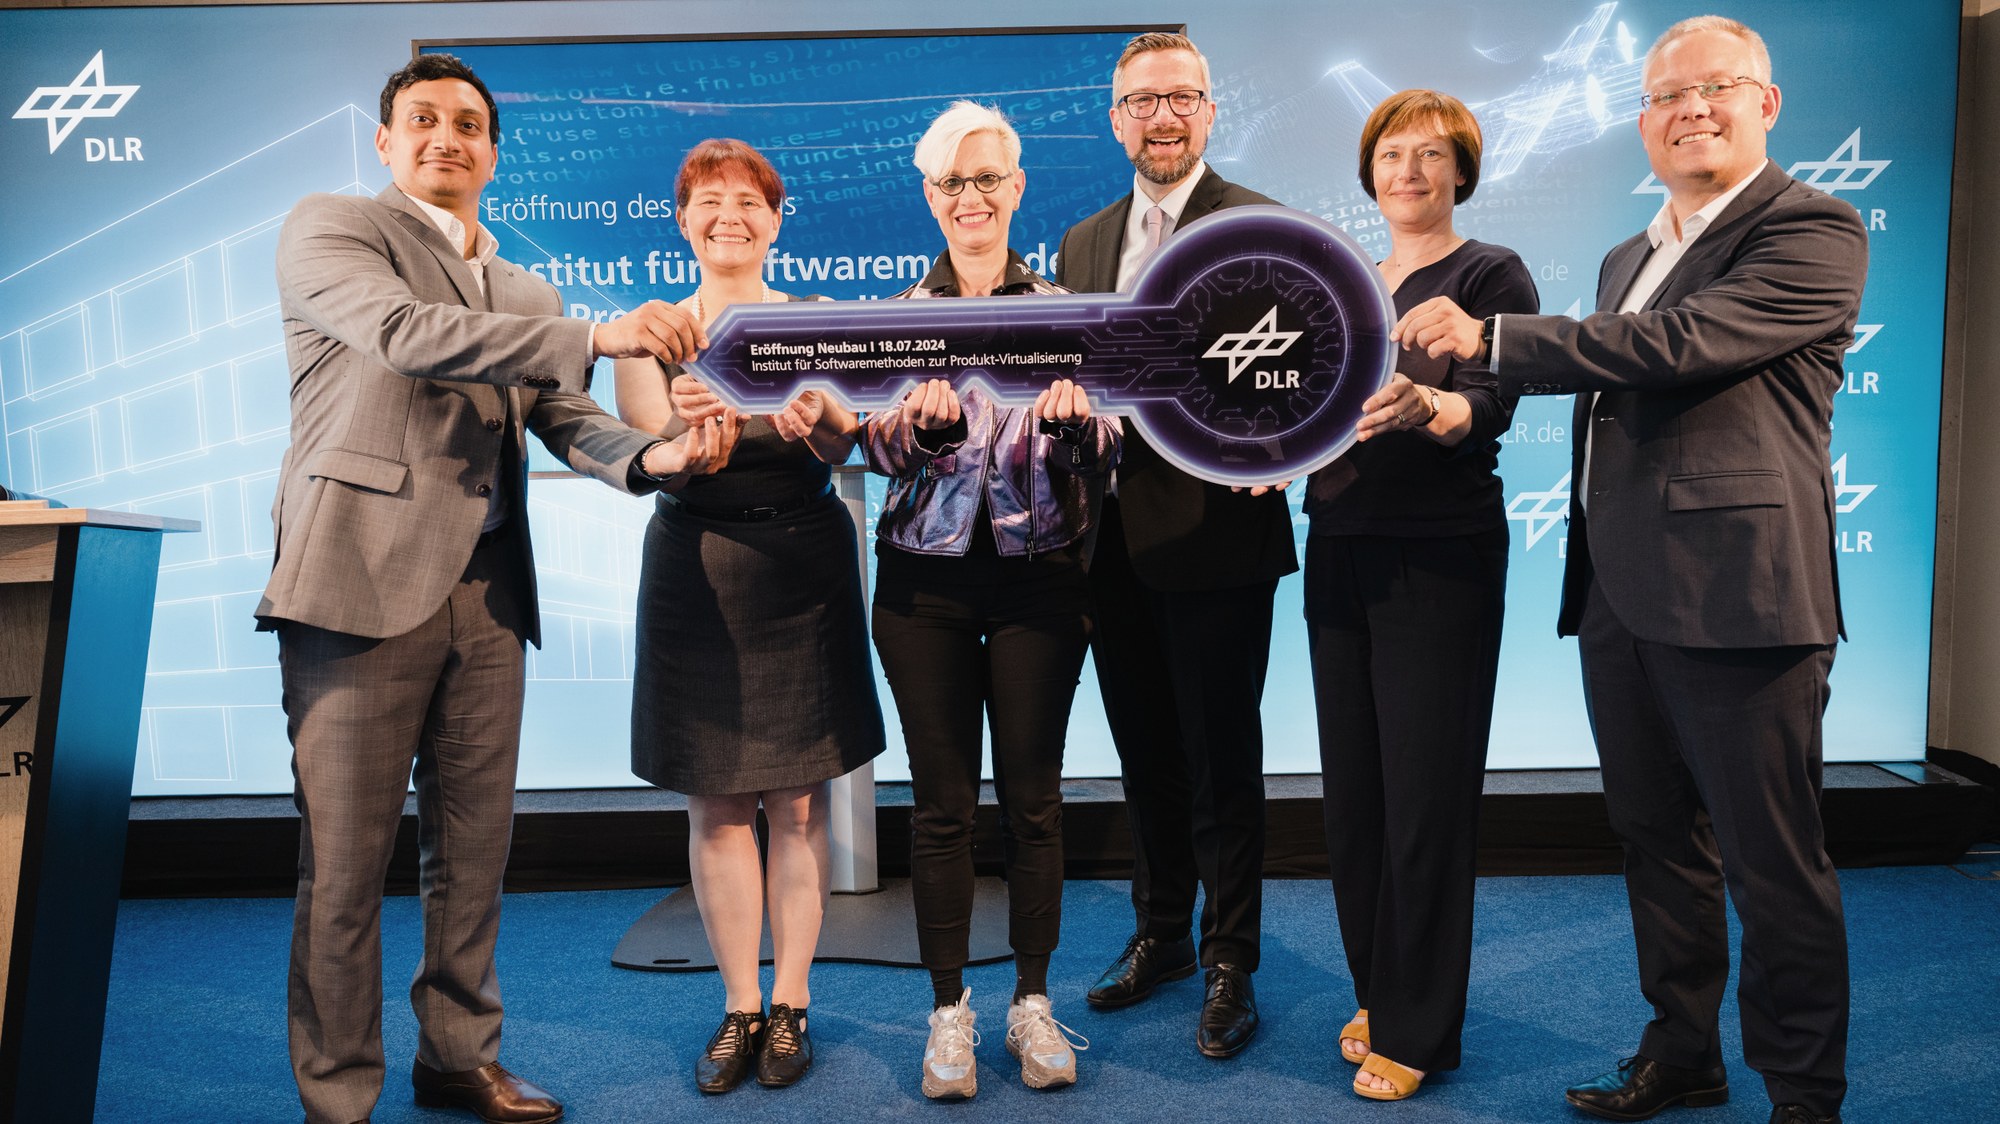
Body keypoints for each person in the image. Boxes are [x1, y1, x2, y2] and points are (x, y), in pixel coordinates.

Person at [1393, 17, 1864, 1124]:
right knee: (1655, 842)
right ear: (1641, 120)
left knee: (1771, 865)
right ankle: (1682, 1048)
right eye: (1665, 95)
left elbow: (1678, 346)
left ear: (1766, 104)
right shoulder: (1625, 253)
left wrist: (1495, 338)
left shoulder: (1812, 227)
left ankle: (1802, 1094)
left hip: (1743, 602)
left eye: (1715, 89)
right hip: (1620, 598)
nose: (1690, 109)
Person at [258, 53, 732, 1124]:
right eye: (421, 120)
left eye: (467, 125)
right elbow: (409, 337)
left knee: (471, 852)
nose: (444, 138)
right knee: (343, 865)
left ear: (493, 152)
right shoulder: (330, 229)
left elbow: (562, 417)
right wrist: (600, 332)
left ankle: (457, 1054)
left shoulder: (526, 288)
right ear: (385, 142)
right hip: (352, 587)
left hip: (486, 594)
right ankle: (337, 1094)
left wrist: (656, 459)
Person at [612, 138, 885, 1095]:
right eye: (709, 200)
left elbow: (855, 435)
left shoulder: (814, 323)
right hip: (695, 567)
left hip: (802, 567)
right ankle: (738, 1006)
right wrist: (686, 437)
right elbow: (647, 442)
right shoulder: (655, 333)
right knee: (717, 801)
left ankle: (795, 1003)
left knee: (798, 802)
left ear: (778, 220)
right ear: (682, 220)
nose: (730, 215)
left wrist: (823, 417)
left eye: (750, 201)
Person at [862, 100, 1116, 1100]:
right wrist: (916, 434)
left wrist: (1072, 428)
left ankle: (1032, 1001)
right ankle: (948, 1011)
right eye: (950, 182)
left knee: (1034, 800)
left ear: (1016, 190)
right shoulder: (892, 319)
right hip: (919, 586)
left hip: (1037, 580)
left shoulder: (1065, 313)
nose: (969, 197)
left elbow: (1113, 443)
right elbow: (865, 439)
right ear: (930, 197)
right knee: (937, 808)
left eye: (987, 179)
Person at [1053, 31, 1294, 1059]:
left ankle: (1229, 956)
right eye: (1140, 100)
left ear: (1208, 111)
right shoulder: (1079, 242)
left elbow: (1307, 370)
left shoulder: (1262, 226)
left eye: (1179, 98)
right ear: (1113, 119)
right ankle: (1160, 929)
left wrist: (1287, 444)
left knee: (1220, 758)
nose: (1160, 116)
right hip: (1107, 538)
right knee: (1143, 751)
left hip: (1218, 536)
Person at [1305, 90, 1537, 1102]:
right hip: (1336, 547)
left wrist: (1428, 402)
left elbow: (1486, 404)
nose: (1406, 171)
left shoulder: (1490, 274)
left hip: (1438, 557)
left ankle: (1418, 1025)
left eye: (1429, 155)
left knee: (1425, 802)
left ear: (1459, 171)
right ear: (1367, 170)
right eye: (1390, 154)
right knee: (1355, 799)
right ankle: (1377, 986)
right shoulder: (1337, 280)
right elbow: (1289, 394)